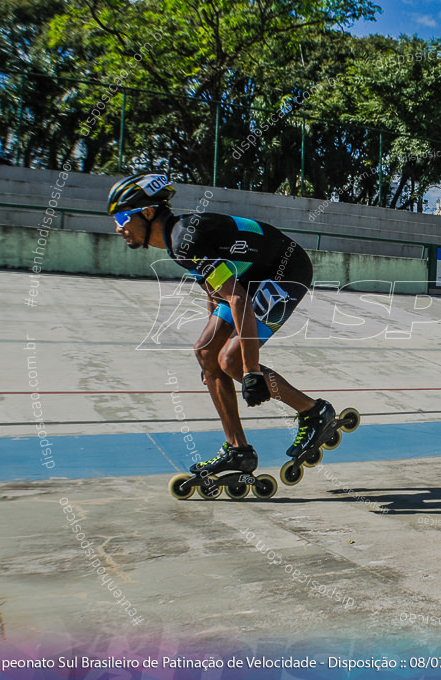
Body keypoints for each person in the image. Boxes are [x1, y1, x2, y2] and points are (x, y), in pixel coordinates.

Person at [107, 173, 337, 480]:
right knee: (206, 352)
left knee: (231, 360)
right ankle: (237, 450)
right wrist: (209, 353)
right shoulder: (179, 240)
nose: (118, 227)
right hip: (253, 276)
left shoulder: (184, 240)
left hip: (287, 271)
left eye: (122, 217)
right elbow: (216, 293)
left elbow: (238, 300)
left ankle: (313, 412)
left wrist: (252, 372)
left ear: (147, 212)